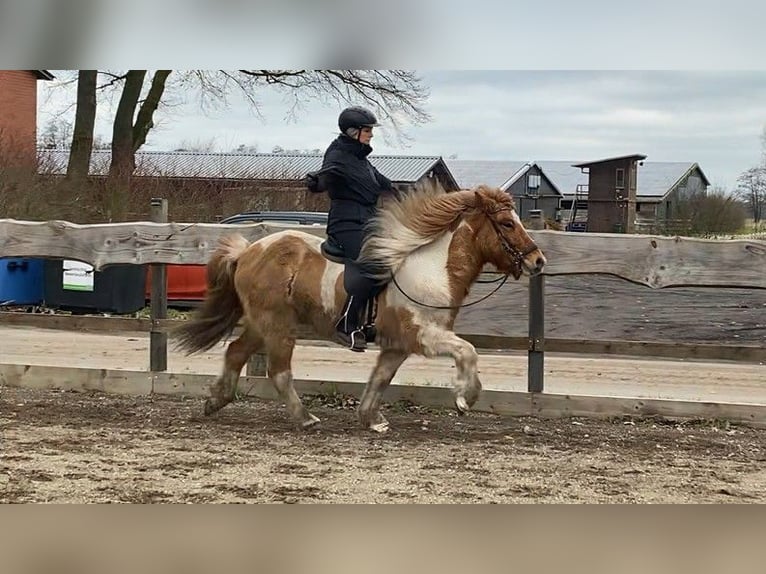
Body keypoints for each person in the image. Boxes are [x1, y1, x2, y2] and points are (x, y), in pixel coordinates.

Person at [317, 105, 396, 352]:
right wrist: (315, 181)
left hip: (367, 221)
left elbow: (385, 184)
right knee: (373, 264)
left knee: (393, 259)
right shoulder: (337, 156)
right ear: (353, 132)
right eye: (368, 130)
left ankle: (371, 322)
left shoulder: (361, 161)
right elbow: (326, 177)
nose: (371, 134)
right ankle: (346, 325)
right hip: (346, 223)